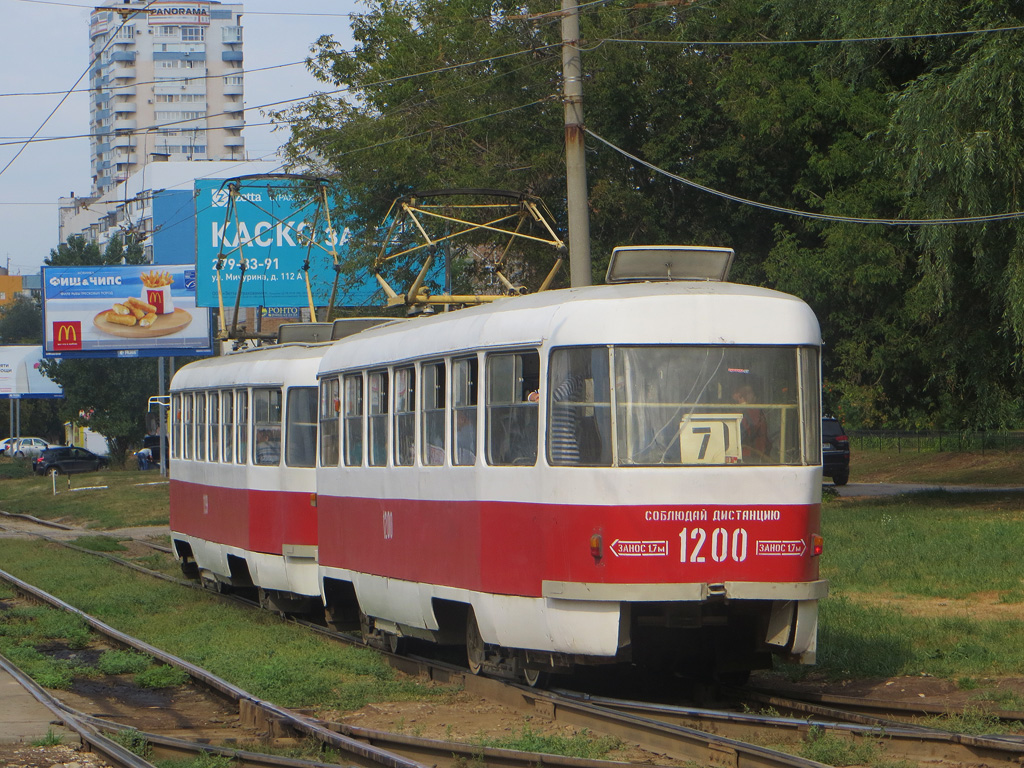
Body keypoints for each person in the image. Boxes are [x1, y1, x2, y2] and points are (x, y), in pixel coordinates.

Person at [731, 382, 770, 460]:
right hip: (748, 454)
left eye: (750, 392)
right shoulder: (742, 412)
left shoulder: (755, 411)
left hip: (755, 453)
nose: (751, 395)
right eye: (746, 393)